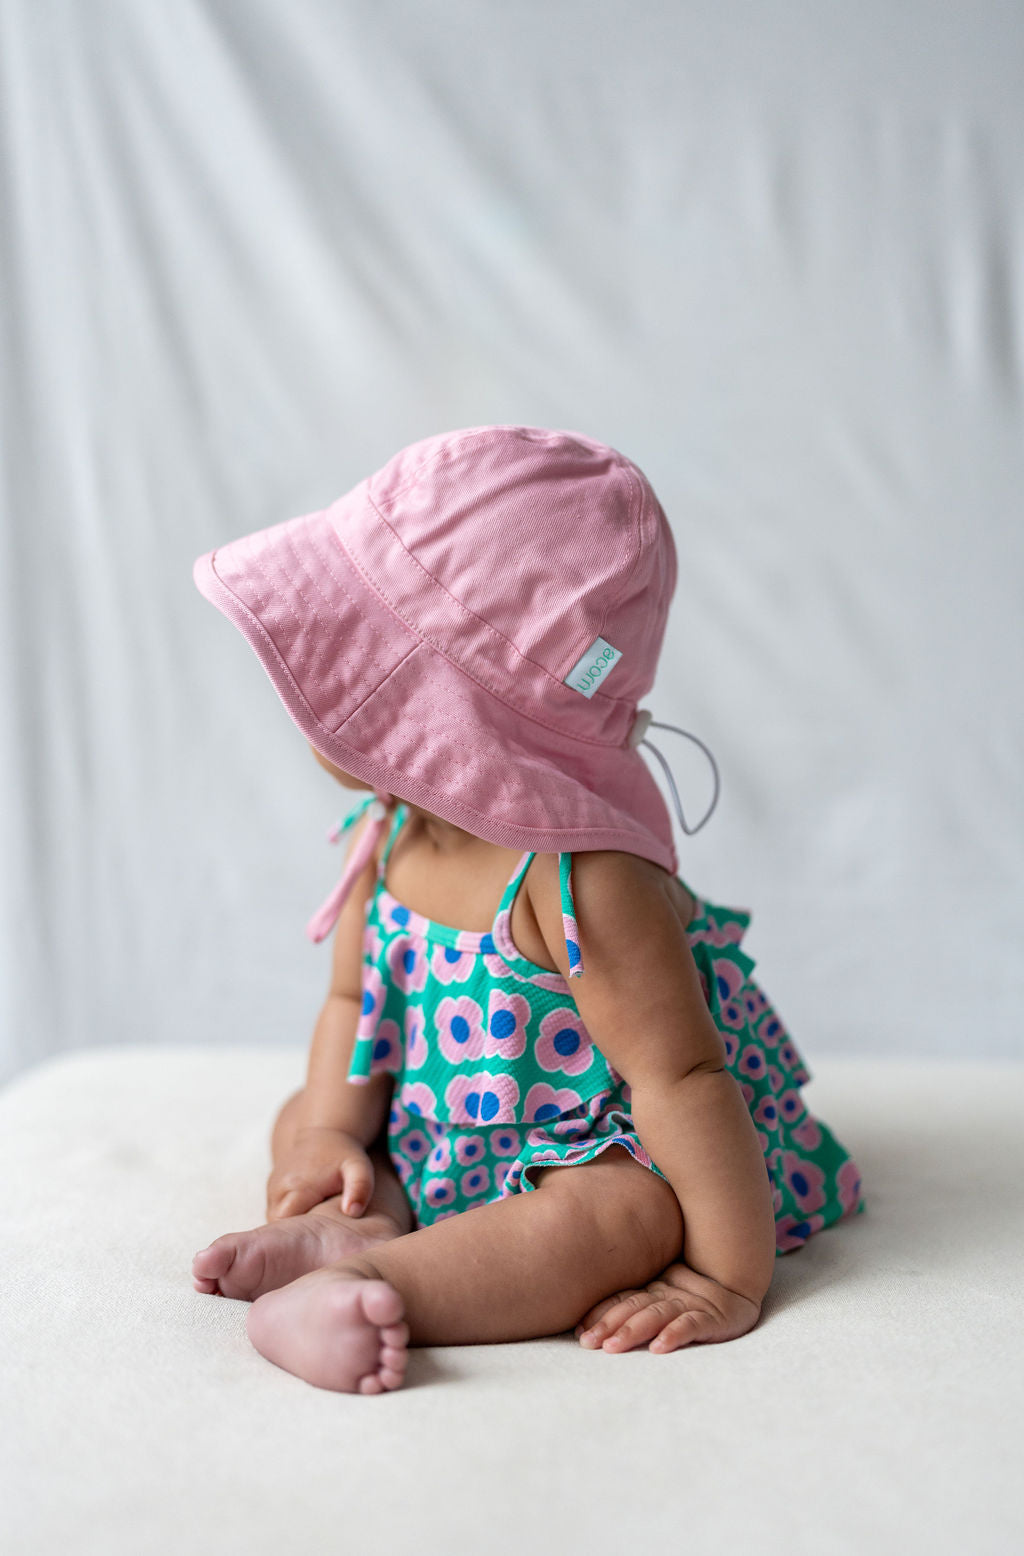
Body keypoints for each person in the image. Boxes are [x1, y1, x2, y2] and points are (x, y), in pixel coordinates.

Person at [190, 424, 865, 1395]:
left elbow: (679, 1077)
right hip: (440, 1132)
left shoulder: (580, 879)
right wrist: (333, 1137)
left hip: (596, 1147)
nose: (307, 692)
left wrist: (726, 1274)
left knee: (625, 1218)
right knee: (303, 1115)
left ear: (442, 713)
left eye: (345, 660)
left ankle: (376, 1279)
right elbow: (350, 1012)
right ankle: (353, 1211)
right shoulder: (383, 837)